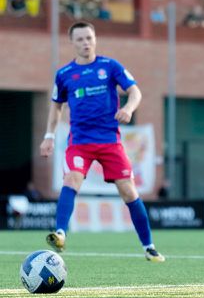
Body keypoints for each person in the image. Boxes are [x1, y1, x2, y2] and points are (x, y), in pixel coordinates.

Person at [39, 21, 165, 262]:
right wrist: (49, 136)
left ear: (95, 39)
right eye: (80, 39)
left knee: (128, 191)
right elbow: (56, 107)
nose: (85, 43)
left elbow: (135, 91)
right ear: (72, 42)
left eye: (89, 38)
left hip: (109, 141)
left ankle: (148, 246)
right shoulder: (64, 74)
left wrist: (128, 108)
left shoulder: (110, 66)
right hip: (80, 142)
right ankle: (60, 234)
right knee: (72, 179)